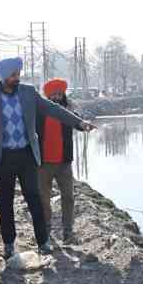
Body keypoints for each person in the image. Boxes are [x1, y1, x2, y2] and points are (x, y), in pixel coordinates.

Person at [0, 57, 95, 259]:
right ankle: (9, 244)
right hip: (3, 157)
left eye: (18, 74)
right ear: (3, 75)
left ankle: (43, 242)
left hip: (26, 155)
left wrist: (79, 123)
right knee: (5, 202)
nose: (17, 78)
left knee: (34, 199)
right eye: (13, 75)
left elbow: (53, 109)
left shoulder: (28, 92)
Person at [36, 79, 83, 242]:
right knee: (43, 198)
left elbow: (78, 121)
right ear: (47, 96)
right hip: (43, 163)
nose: (56, 97)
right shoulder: (39, 111)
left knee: (69, 197)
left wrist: (84, 125)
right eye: (53, 94)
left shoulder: (67, 111)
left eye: (59, 94)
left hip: (64, 163)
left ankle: (68, 230)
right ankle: (46, 229)